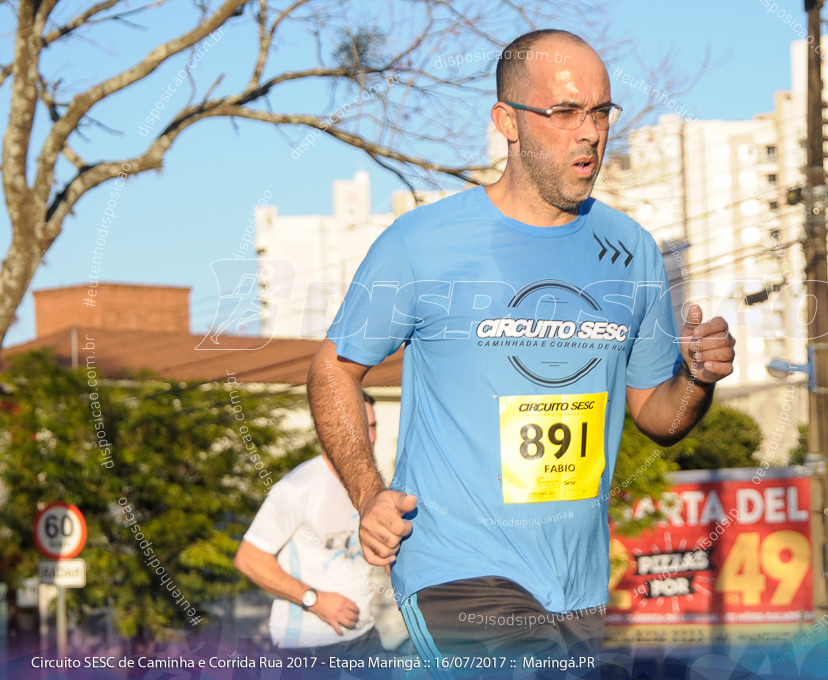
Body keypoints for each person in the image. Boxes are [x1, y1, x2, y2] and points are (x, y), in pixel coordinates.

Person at [307, 29, 736, 667]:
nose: (589, 132)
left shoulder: (633, 252)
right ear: (507, 121)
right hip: (457, 568)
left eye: (600, 112)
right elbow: (332, 371)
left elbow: (658, 415)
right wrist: (368, 492)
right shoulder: (424, 242)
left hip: (579, 584)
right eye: (564, 113)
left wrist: (697, 378)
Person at [234, 391, 386, 669]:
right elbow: (249, 558)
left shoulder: (374, 481)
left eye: (373, 427)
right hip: (306, 646)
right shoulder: (297, 488)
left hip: (364, 636)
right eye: (361, 427)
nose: (371, 438)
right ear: (331, 429)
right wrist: (314, 600)